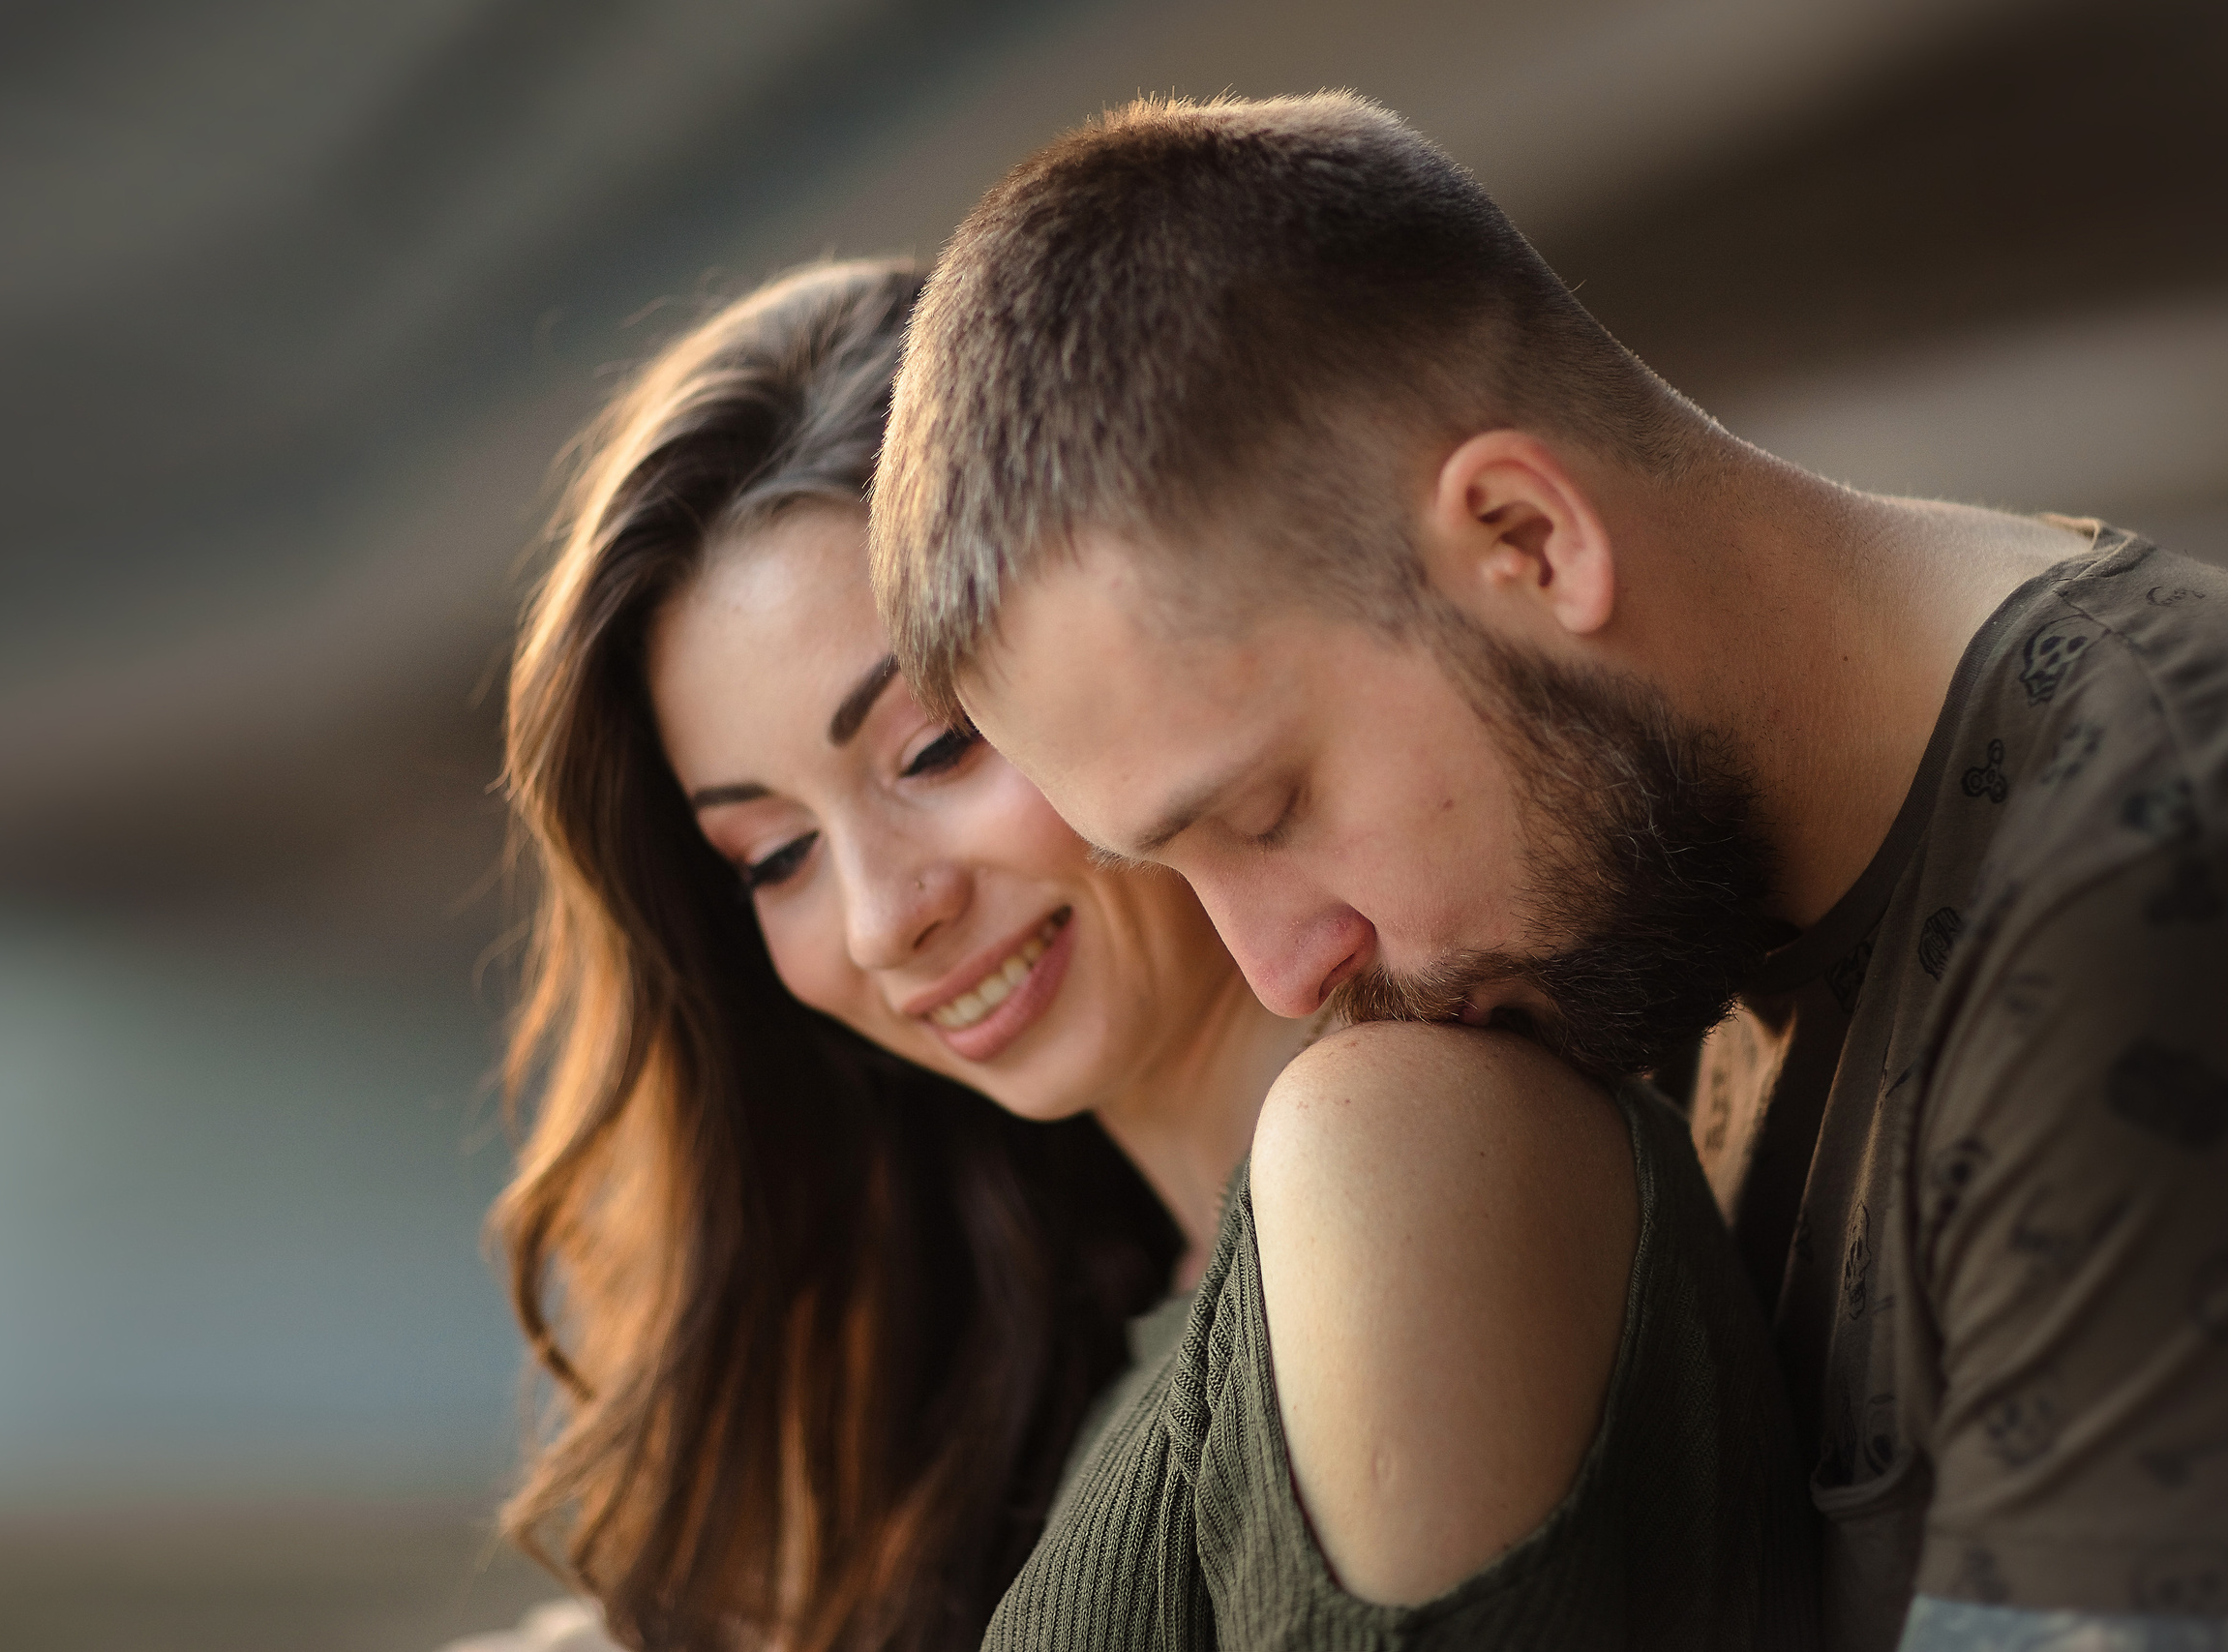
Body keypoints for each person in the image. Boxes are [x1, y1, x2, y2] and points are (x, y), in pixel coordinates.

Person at [869, 91, 2228, 1652]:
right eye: (1167, 869)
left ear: (1525, 538)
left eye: (1265, 812)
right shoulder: (1649, 893)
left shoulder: (2149, 881)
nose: (1282, 972)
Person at [490, 257, 1811, 1651]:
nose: (886, 919)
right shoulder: (1032, 1372)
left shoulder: (1402, 1146)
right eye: (772, 857)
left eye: (935, 750)